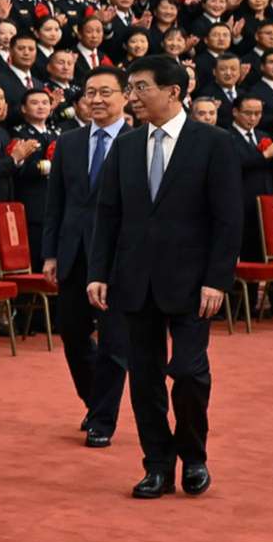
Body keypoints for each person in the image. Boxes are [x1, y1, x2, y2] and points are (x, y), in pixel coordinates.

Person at [89, 55, 240, 498]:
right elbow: (108, 213)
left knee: (190, 372)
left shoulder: (214, 143)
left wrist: (217, 278)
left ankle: (194, 456)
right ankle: (157, 464)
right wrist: (98, 271)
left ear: (173, 91)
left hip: (194, 283)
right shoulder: (127, 146)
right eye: (130, 88)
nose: (131, 97)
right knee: (144, 377)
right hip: (134, 279)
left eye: (140, 88)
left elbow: (228, 219)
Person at [42, 66, 131, 446]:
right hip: (73, 253)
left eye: (106, 92)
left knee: (114, 340)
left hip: (117, 257)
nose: (97, 99)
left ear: (125, 97)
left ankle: (102, 421)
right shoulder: (70, 142)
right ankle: (95, 401)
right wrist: (50, 254)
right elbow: (56, 203)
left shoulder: (139, 141)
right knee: (73, 333)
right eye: (90, 92)